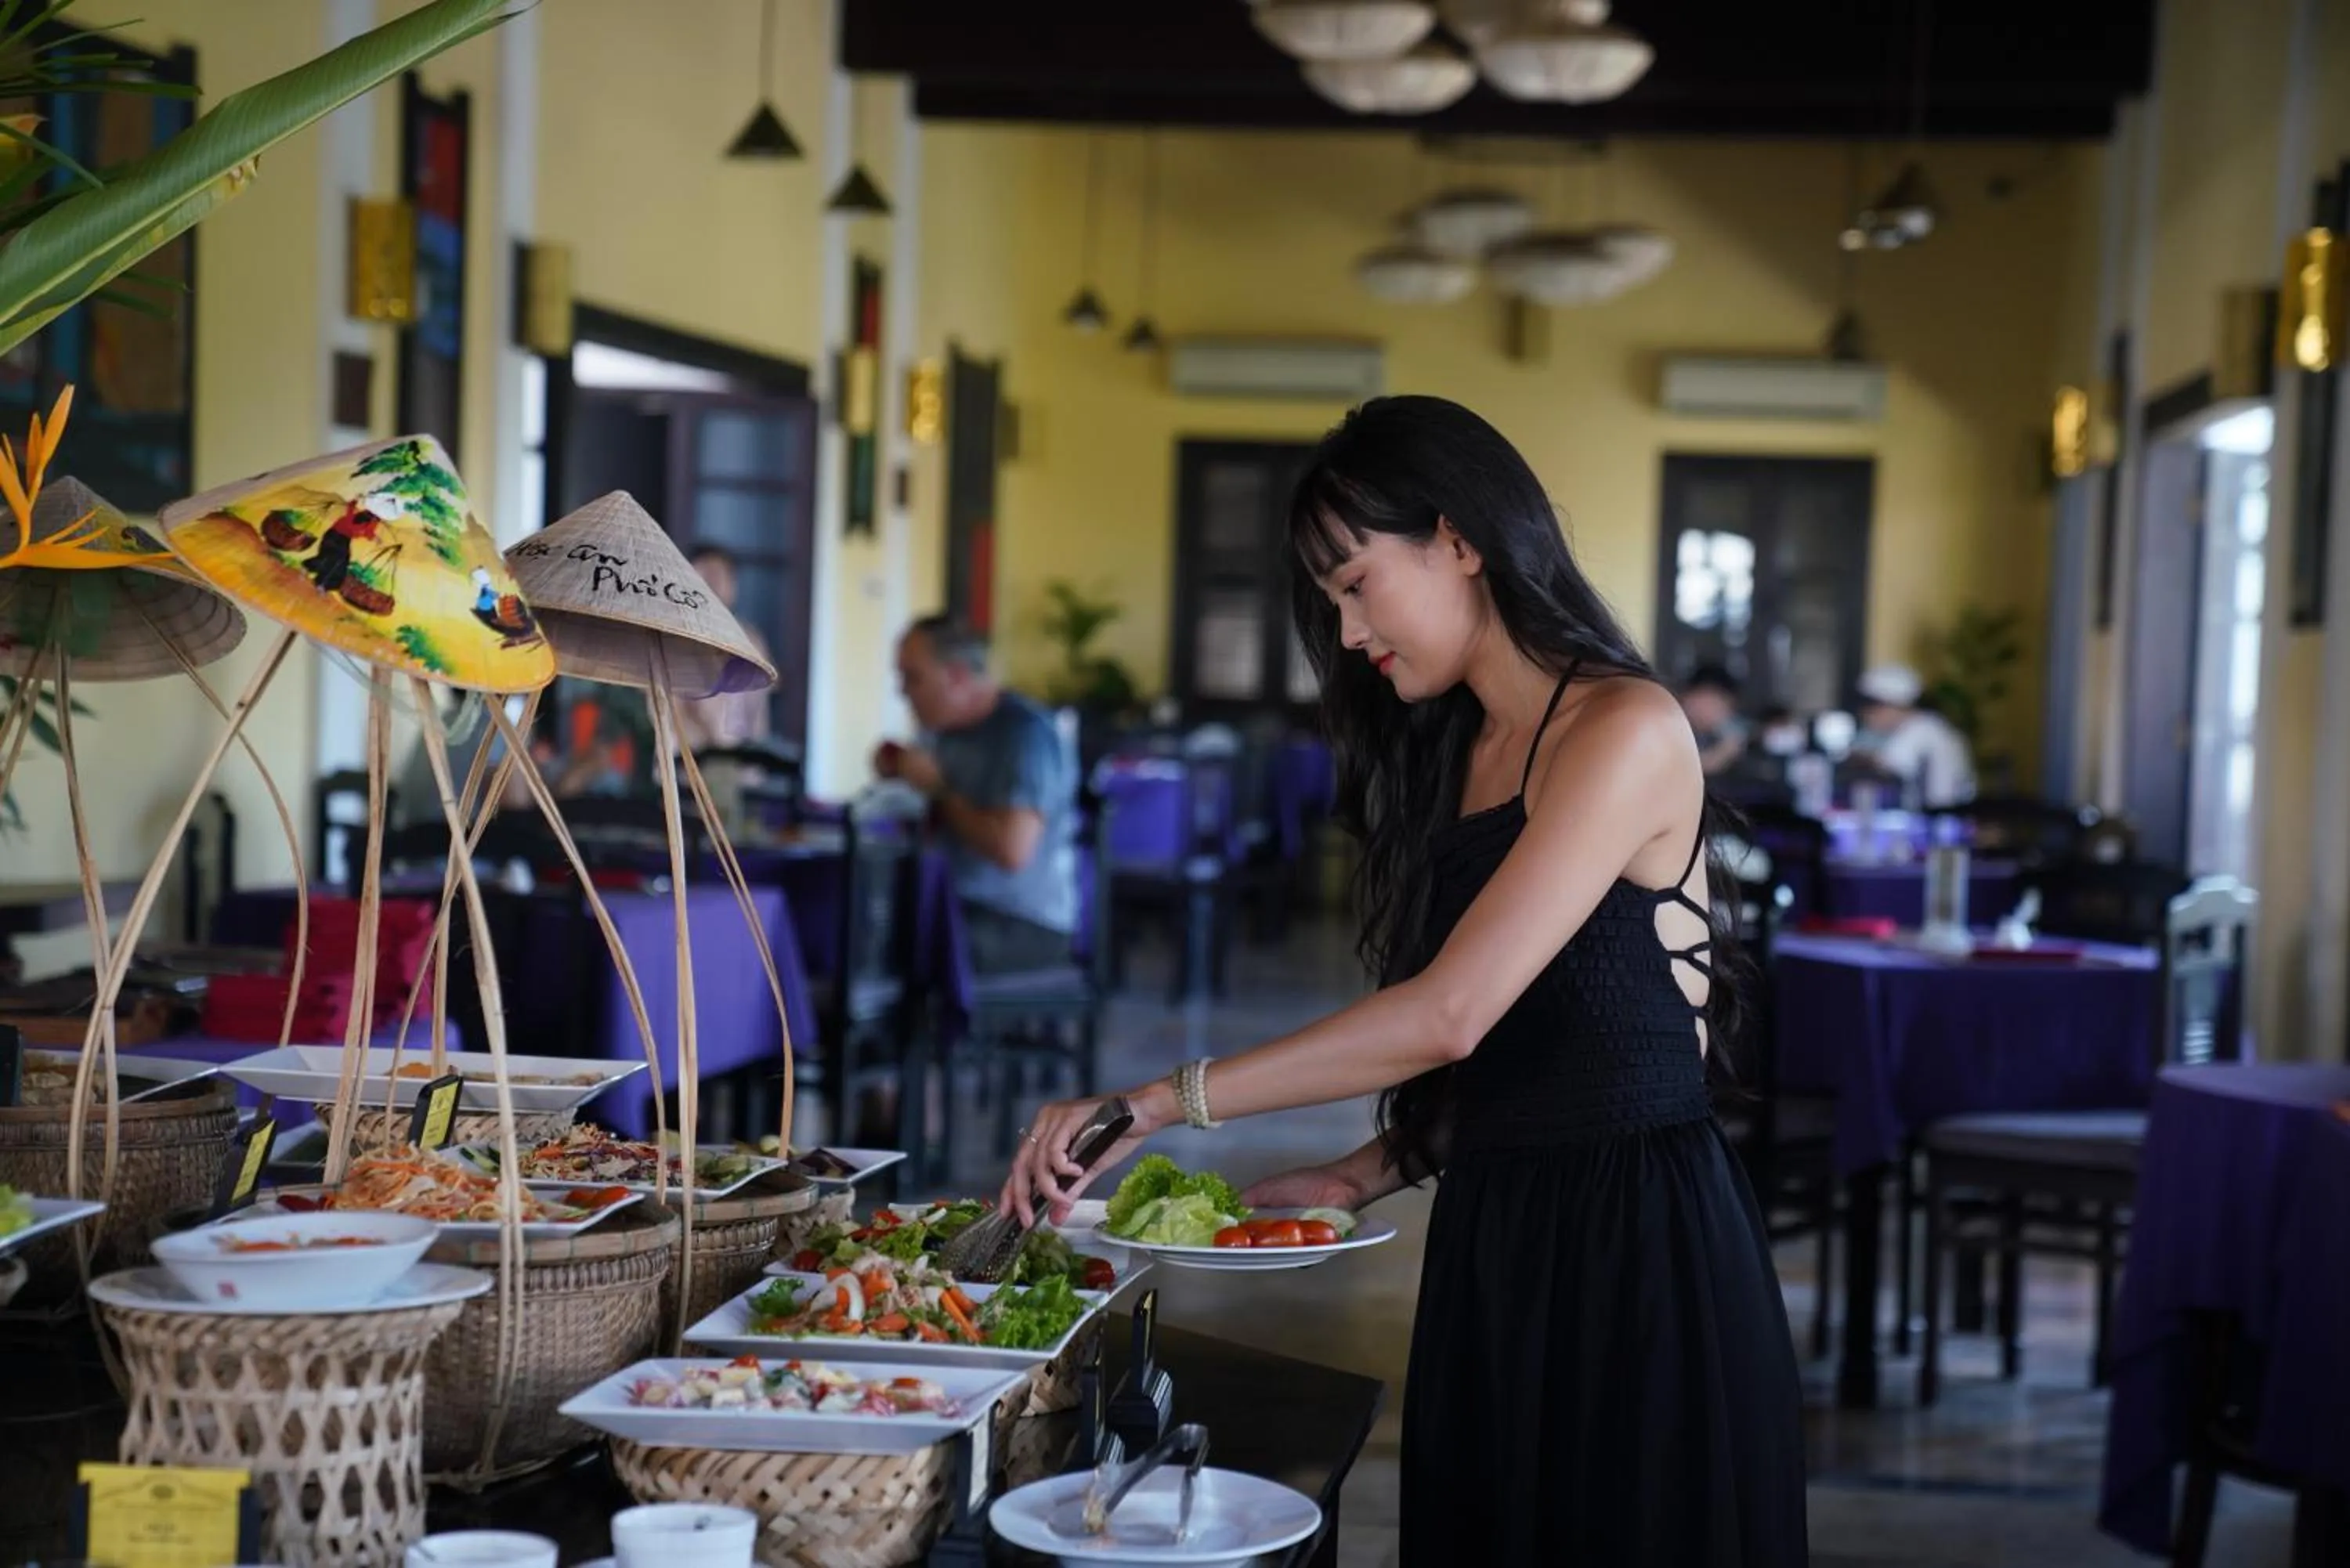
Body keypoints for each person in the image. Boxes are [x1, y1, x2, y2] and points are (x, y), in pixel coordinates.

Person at [1000, 397, 1807, 1565]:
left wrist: (1156, 1101)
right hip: (1500, 1231)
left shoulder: (1623, 726)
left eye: (1356, 583)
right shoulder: (1467, 750)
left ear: (1458, 541)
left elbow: (1451, 1014)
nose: (1347, 630)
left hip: (1635, 1249)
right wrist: (1360, 1172)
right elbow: (1537, 1048)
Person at [873, 615, 1078, 974]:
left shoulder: (1025, 735)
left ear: (957, 677)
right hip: (957, 902)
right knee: (862, 921)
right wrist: (896, 768)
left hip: (1022, 921)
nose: (903, 692)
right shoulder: (942, 731)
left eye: (913, 678)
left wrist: (937, 790)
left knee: (899, 946)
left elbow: (1011, 852)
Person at [672, 543, 774, 753]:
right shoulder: (674, 634)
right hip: (688, 758)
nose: (713, 586)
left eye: (719, 577)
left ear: (733, 585)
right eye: (705, 577)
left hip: (742, 759)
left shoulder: (750, 640)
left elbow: (758, 708)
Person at [1855, 663, 1976, 807]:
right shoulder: (1931, 725)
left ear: (1897, 706)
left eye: (1873, 706)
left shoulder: (1922, 729)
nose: (1866, 713)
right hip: (1939, 813)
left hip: (1939, 816)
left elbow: (1887, 766)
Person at [1678, 662, 1748, 775]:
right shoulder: (1674, 734)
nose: (1705, 709)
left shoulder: (1739, 736)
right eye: (1700, 700)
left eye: (1713, 703)